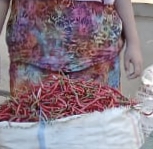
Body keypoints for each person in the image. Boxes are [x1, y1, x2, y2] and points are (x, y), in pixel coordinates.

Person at [0, 0, 143, 93]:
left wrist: (133, 42)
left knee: (95, 129)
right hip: (31, 60)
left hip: (97, 60)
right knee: (32, 129)